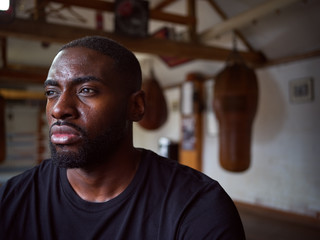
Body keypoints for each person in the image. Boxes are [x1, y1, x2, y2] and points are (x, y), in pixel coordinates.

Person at [0, 36, 245, 239]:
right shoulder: (11, 200)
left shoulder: (198, 208)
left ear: (136, 106)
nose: (58, 108)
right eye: (51, 92)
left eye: (86, 90)